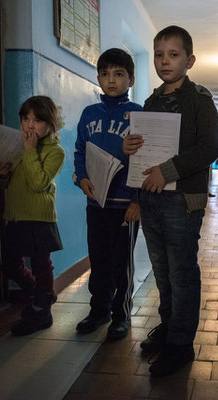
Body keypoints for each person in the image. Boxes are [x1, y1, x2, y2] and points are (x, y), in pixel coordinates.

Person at [123, 25, 218, 376]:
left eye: (174, 54)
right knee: (162, 271)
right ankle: (168, 327)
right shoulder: (150, 101)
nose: (165, 61)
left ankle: (180, 344)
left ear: (189, 60)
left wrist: (167, 170)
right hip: (150, 199)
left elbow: (211, 148)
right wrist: (129, 148)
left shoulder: (199, 100)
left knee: (182, 272)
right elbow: (141, 150)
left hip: (182, 200)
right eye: (160, 55)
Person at [72, 48, 141, 339]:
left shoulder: (138, 114)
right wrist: (82, 178)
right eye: (105, 74)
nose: (111, 80)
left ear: (131, 79)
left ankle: (121, 314)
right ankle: (99, 310)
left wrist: (138, 201)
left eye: (118, 74)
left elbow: (145, 160)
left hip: (124, 204)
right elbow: (79, 152)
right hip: (96, 202)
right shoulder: (89, 114)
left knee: (120, 265)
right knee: (98, 260)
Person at [0, 96, 65, 336]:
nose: (30, 125)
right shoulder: (18, 146)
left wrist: (30, 152)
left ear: (50, 124)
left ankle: (41, 311)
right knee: (9, 264)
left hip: (39, 217)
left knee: (41, 265)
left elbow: (37, 183)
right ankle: (41, 294)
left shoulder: (56, 152)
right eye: (26, 119)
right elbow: (7, 184)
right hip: (15, 216)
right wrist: (2, 174)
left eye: (37, 120)